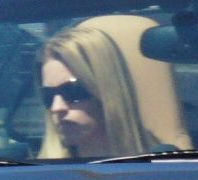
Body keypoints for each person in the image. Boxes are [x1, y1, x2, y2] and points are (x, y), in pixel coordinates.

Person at [38, 23, 168, 158]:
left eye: (72, 91)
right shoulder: (36, 175)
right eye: (48, 95)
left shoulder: (162, 169)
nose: (56, 107)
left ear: (107, 91)